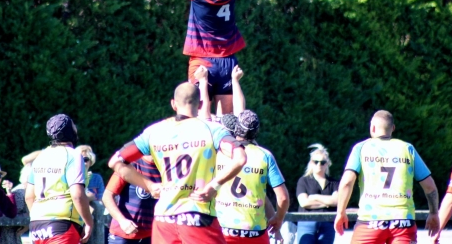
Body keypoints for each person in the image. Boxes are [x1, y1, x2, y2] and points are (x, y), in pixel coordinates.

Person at [108, 82, 247, 244]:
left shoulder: (154, 132)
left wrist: (149, 186)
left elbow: (115, 161)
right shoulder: (212, 130)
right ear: (201, 104)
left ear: (173, 104)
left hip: (164, 219)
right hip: (197, 216)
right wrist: (213, 185)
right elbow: (240, 158)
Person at [334, 110, 440, 243]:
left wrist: (340, 212)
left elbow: (347, 182)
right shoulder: (407, 149)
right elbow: (430, 186)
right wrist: (434, 213)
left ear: (372, 127)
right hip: (403, 221)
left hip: (370, 221)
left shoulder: (361, 148)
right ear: (393, 128)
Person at [215, 110, 290, 244]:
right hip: (255, 232)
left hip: (223, 230)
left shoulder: (221, 152)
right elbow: (283, 197)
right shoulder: (265, 156)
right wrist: (278, 218)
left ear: (236, 128)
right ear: (256, 132)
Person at [25, 114, 94, 244]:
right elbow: (77, 195)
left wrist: (38, 216)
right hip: (62, 225)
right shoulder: (73, 155)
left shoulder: (40, 157)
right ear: (69, 131)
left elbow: (29, 196)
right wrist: (89, 222)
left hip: (36, 226)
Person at [102, 155, 161, 244]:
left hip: (151, 234)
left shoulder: (165, 168)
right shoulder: (129, 166)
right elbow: (107, 196)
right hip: (122, 233)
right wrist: (122, 221)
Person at [296, 144, 339, 244]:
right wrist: (328, 202)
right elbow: (304, 202)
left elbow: (337, 201)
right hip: (306, 223)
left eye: (322, 162)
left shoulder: (334, 183)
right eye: (316, 162)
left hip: (328, 223)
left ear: (327, 164)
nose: (319, 165)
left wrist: (315, 197)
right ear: (311, 163)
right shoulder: (303, 181)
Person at [0, 165, 31, 244]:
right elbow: (12, 211)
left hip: (14, 235)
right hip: (8, 236)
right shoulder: (20, 192)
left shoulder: (29, 191)